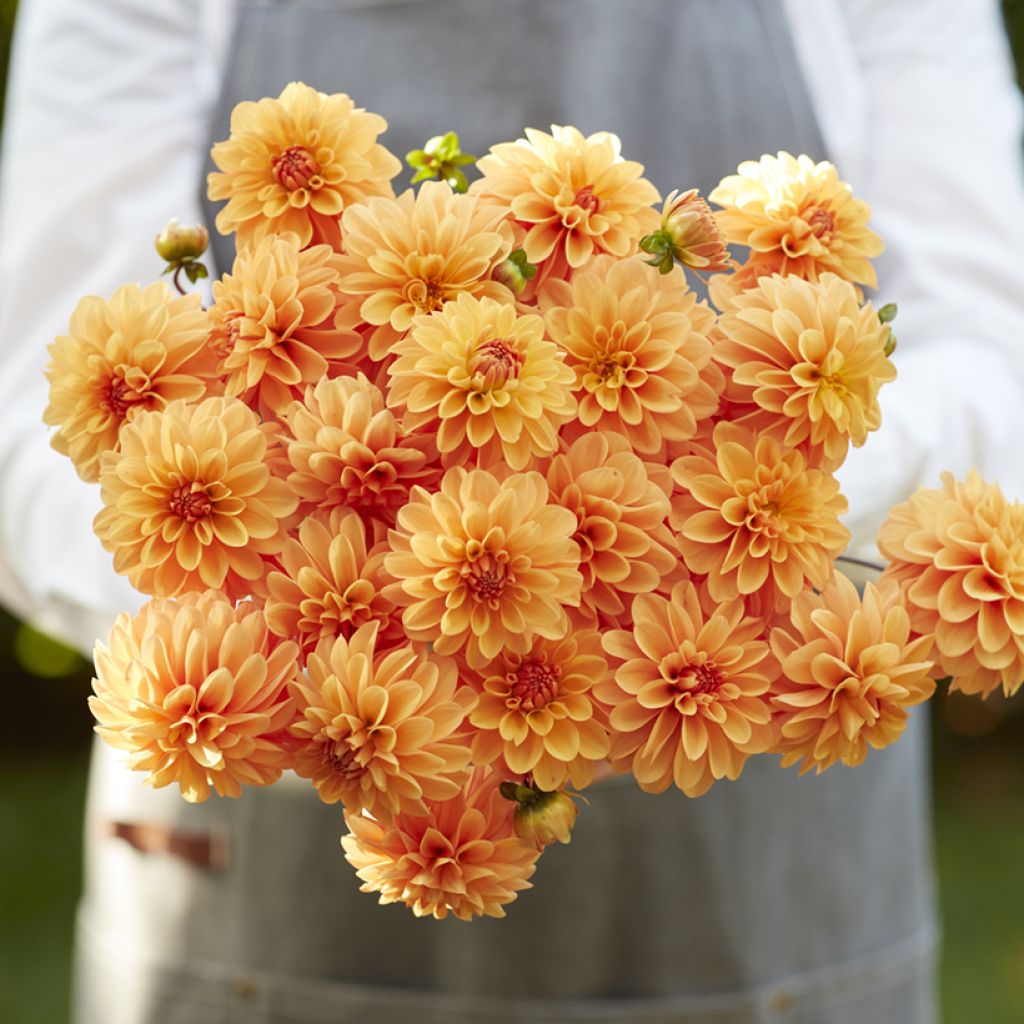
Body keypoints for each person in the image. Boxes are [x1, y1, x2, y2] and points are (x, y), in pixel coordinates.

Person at [1, 0, 1023, 1021]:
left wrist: (721, 486)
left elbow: (995, 355)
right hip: (262, 903)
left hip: (780, 896)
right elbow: (27, 433)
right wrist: (283, 653)